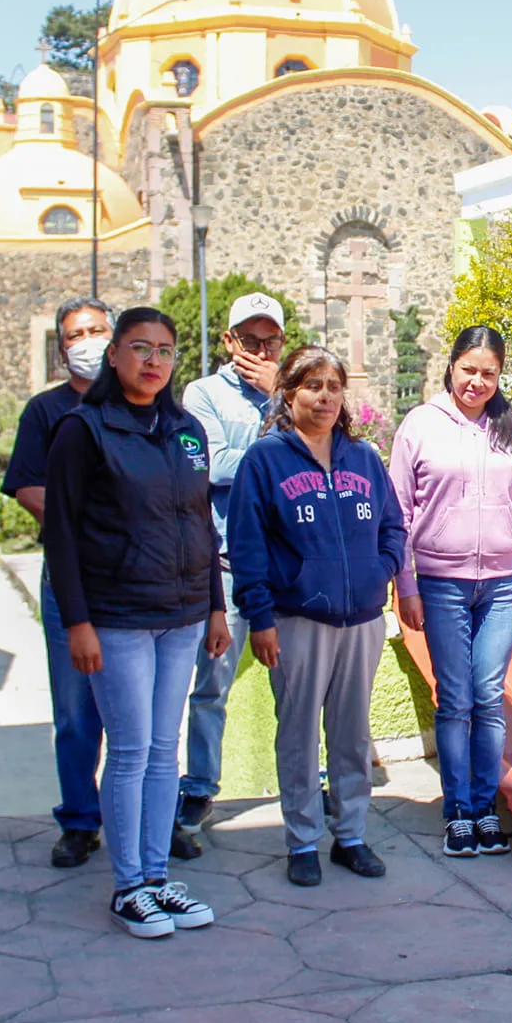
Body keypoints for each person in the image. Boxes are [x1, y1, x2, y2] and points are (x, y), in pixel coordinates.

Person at [41, 306, 231, 937]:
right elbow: (61, 533)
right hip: (117, 616)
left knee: (161, 749)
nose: (154, 361)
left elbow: (199, 521)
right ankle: (128, 885)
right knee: (127, 750)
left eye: (166, 351)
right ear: (115, 355)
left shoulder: (185, 429)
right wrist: (78, 622)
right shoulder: (83, 429)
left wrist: (213, 606)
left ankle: (156, 875)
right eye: (140, 348)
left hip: (179, 616)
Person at [228, 346, 406, 887]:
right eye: (313, 386)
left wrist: (382, 571)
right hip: (295, 620)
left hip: (362, 621)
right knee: (300, 733)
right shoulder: (265, 460)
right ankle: (302, 839)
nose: (325, 396)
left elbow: (393, 527)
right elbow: (247, 546)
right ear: (288, 393)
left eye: (333, 386)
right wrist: (259, 617)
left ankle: (350, 834)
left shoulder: (364, 458)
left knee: (352, 735)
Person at [389, 326, 512, 858]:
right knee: (455, 697)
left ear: (499, 375)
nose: (476, 382)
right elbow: (398, 513)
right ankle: (456, 809)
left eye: (488, 373)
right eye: (468, 370)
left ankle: (485, 808)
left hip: (503, 585)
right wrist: (405, 583)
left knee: (489, 697)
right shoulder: (420, 425)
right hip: (440, 584)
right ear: (451, 366)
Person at [3, 296, 114, 868]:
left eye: (98, 329)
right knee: (75, 711)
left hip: (136, 584)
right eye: (77, 333)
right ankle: (79, 820)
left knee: (139, 713)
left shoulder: (141, 404)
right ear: (62, 344)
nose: (89, 340)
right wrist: (91, 523)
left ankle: (141, 818)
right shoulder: (47, 412)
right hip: (72, 579)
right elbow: (26, 486)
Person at [172, 292, 285, 856]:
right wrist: (274, 427)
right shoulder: (202, 394)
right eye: (249, 340)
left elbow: (319, 449)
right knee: (211, 684)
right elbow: (212, 466)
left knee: (296, 685)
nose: (260, 351)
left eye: (270, 342)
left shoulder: (289, 390)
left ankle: (306, 781)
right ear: (228, 341)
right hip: (227, 568)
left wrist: (278, 398)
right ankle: (198, 787)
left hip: (284, 563)